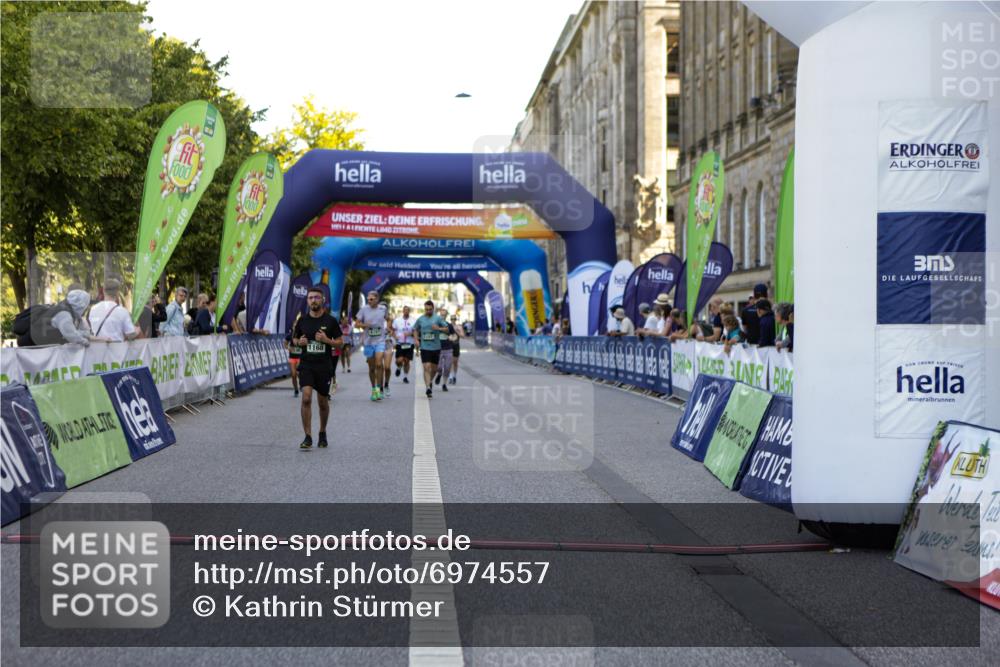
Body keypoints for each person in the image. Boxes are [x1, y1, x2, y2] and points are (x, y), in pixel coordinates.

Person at [291, 287, 343, 449]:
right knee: (306, 398)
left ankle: (322, 431)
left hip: (324, 366)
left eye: (316, 298)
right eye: (310, 298)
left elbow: (340, 342)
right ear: (307, 301)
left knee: (322, 403)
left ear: (323, 300)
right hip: (306, 364)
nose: (313, 300)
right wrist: (299, 342)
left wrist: (327, 340)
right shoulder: (302, 321)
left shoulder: (331, 321)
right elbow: (294, 339)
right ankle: (307, 436)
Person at [356, 290, 389, 401]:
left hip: (380, 340)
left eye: (371, 299)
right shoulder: (364, 309)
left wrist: (388, 328)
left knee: (379, 364)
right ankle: (373, 388)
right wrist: (365, 325)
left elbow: (388, 319)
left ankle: (379, 389)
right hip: (368, 342)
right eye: (368, 299)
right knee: (371, 367)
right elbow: (357, 323)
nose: (369, 301)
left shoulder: (383, 309)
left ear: (377, 299)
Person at [413, 300, 449, 399]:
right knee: (427, 367)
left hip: (436, 347)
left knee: (434, 369)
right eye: (426, 309)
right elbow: (415, 329)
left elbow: (447, 329)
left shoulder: (438, 318)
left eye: (429, 309)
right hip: (425, 347)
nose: (428, 311)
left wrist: (438, 329)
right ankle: (428, 387)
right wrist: (416, 339)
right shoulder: (420, 319)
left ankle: (430, 382)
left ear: (433, 309)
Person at [88, 278, 138, 343]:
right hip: (116, 350)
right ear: (117, 293)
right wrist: (137, 331)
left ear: (103, 291)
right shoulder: (122, 311)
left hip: (97, 349)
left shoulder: (93, 309)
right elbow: (130, 335)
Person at [392, 305, 416, 384]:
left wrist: (410, 334)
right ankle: (399, 367)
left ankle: (405, 377)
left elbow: (416, 331)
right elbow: (393, 331)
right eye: (404, 310)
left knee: (407, 361)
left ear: (409, 311)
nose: (406, 312)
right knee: (399, 360)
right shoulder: (397, 320)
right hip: (400, 343)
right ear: (403, 311)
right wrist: (395, 339)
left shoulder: (413, 321)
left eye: (407, 310)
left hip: (409, 343)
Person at [434, 306, 454, 391]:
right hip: (438, 349)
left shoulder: (449, 325)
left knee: (447, 367)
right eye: (441, 315)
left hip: (448, 348)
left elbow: (454, 335)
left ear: (446, 316)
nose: (442, 317)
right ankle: (439, 374)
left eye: (444, 315)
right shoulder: (435, 325)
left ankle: (444, 384)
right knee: (438, 367)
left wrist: (452, 338)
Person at [285, 312, 302, 398]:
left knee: (298, 373)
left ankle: (302, 383)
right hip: (292, 357)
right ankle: (296, 389)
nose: (295, 326)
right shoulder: (290, 335)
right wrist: (288, 348)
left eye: (297, 325)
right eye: (294, 325)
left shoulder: (301, 334)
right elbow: (285, 344)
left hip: (300, 357)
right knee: (293, 374)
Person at [380, 304, 395, 397]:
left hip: (388, 344)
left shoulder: (389, 320)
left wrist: (389, 331)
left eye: (384, 310)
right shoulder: (374, 320)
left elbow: (392, 331)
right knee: (379, 367)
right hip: (378, 345)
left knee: (387, 368)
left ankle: (386, 384)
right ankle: (380, 388)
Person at [447, 315, 463, 384]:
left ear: (456, 319)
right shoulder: (448, 326)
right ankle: (450, 377)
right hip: (449, 345)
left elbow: (463, 335)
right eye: (452, 319)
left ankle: (454, 376)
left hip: (456, 345)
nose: (453, 320)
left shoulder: (459, 327)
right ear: (450, 319)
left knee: (455, 362)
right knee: (450, 361)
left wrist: (456, 331)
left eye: (454, 319)